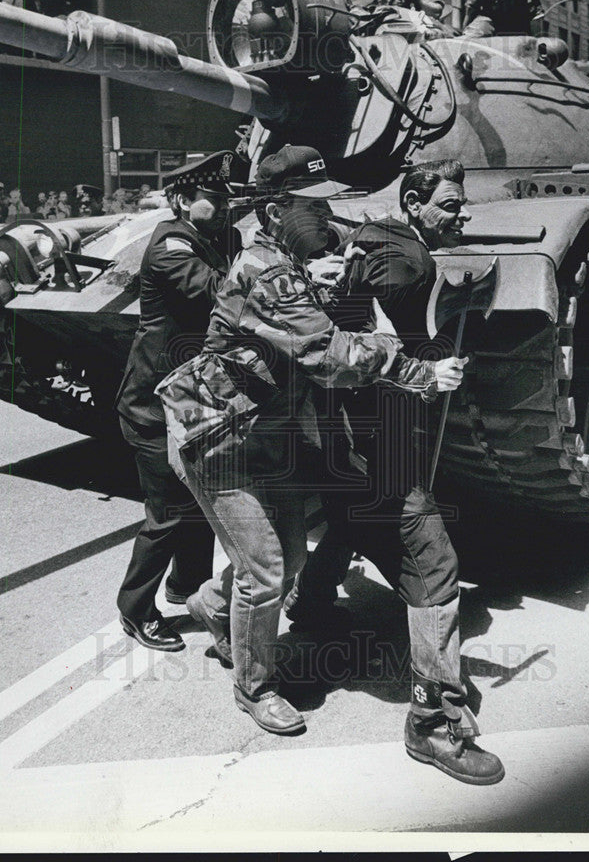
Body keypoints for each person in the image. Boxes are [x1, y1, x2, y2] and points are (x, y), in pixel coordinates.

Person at [157, 145, 467, 737]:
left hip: (261, 430)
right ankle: (254, 686)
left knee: (293, 557)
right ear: (275, 213)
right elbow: (326, 354)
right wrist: (421, 372)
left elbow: (300, 324)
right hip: (216, 438)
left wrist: (321, 279)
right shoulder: (267, 273)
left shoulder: (285, 263)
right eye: (313, 209)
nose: (327, 220)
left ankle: (214, 607)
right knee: (270, 570)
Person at [284, 159, 505, 785]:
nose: (460, 215)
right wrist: (426, 369)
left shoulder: (378, 238)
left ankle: (304, 598)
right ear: (413, 202)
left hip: (337, 433)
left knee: (353, 520)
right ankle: (433, 722)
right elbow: (352, 339)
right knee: (435, 566)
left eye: (460, 206)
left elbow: (361, 315)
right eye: (449, 205)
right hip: (375, 439)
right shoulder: (408, 262)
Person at [115, 150, 245, 651]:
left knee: (200, 496)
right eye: (215, 197)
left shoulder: (213, 236)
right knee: (167, 512)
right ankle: (135, 608)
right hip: (153, 401)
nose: (225, 202)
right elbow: (218, 292)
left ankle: (187, 586)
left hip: (191, 395)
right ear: (183, 200)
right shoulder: (172, 245)